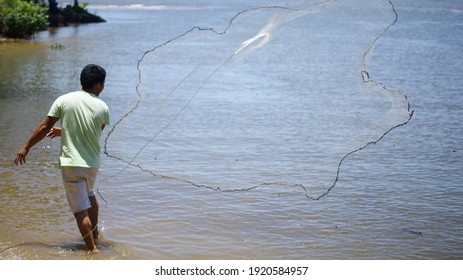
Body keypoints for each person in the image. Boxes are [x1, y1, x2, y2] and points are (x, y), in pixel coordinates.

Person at [14, 64, 110, 254]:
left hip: (71, 164)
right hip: (92, 164)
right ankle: (95, 235)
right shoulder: (103, 107)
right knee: (90, 195)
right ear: (98, 85)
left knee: (80, 209)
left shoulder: (64, 100)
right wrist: (64, 132)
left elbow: (44, 126)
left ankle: (93, 250)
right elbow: (92, 133)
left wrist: (26, 147)